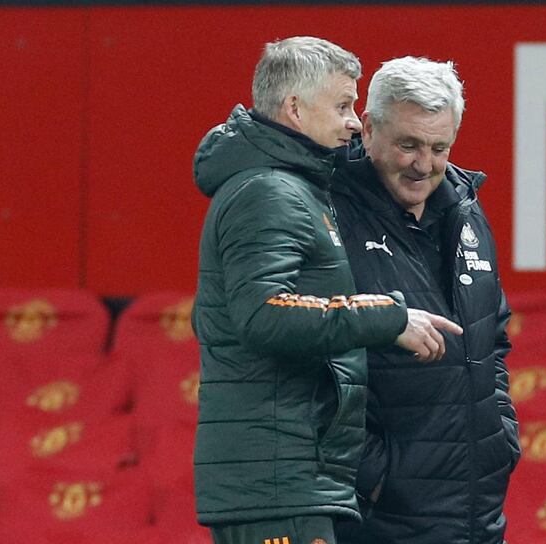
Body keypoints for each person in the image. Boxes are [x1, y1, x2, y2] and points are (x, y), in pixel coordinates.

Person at [190, 38, 462, 544]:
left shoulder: (290, 187)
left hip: (289, 480)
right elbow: (264, 312)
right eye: (342, 106)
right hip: (278, 484)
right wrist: (387, 318)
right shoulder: (270, 191)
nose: (355, 122)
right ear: (294, 108)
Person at [332, 56, 521, 544]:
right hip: (381, 518)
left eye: (440, 147)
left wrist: (498, 436)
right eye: (408, 145)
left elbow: (492, 337)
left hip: (476, 510)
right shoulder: (326, 217)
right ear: (369, 128)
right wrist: (375, 476)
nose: (424, 164)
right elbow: (303, 361)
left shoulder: (466, 212)